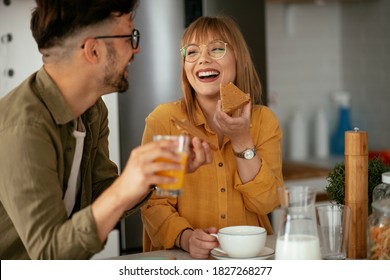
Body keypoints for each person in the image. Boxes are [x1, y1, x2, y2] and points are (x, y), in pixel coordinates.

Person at [0, 0, 211, 260]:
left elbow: (101, 192)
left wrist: (152, 173)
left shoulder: (92, 110)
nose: (137, 49)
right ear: (94, 50)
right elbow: (48, 256)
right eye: (130, 37)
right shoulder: (24, 127)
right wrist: (125, 187)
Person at [141, 15, 283, 259]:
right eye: (192, 52)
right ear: (185, 66)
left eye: (217, 49)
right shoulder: (166, 120)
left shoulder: (263, 121)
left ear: (241, 59)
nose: (203, 59)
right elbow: (155, 202)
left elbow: (266, 203)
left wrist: (241, 139)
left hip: (248, 261)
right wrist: (185, 237)